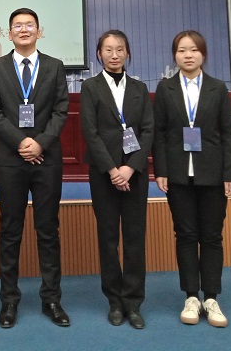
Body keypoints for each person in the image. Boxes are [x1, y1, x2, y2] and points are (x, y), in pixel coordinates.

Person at [0, 8, 70, 328]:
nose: (23, 30)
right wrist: (21, 142)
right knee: (10, 231)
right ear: (9, 34)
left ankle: (52, 299)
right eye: (17, 26)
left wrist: (40, 144)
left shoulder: (54, 66)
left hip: (47, 160)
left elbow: (61, 110)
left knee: (48, 230)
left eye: (29, 25)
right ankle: (9, 301)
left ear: (39, 31)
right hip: (10, 160)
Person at [153, 30, 231, 328]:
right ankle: (191, 296)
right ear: (174, 55)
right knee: (186, 236)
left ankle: (211, 298)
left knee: (212, 236)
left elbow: (228, 133)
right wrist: (161, 170)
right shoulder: (165, 88)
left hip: (213, 174)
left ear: (203, 54)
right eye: (181, 50)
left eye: (193, 50)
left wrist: (230, 173)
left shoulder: (218, 88)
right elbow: (159, 133)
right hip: (178, 175)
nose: (187, 55)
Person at [80, 30, 153, 330]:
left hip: (134, 174)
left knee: (135, 238)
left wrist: (130, 169)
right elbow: (90, 132)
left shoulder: (139, 88)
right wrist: (112, 170)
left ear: (127, 53)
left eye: (120, 49)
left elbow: (148, 131)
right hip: (103, 174)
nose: (114, 55)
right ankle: (114, 301)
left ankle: (133, 303)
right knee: (108, 238)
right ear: (99, 54)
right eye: (108, 49)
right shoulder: (90, 87)